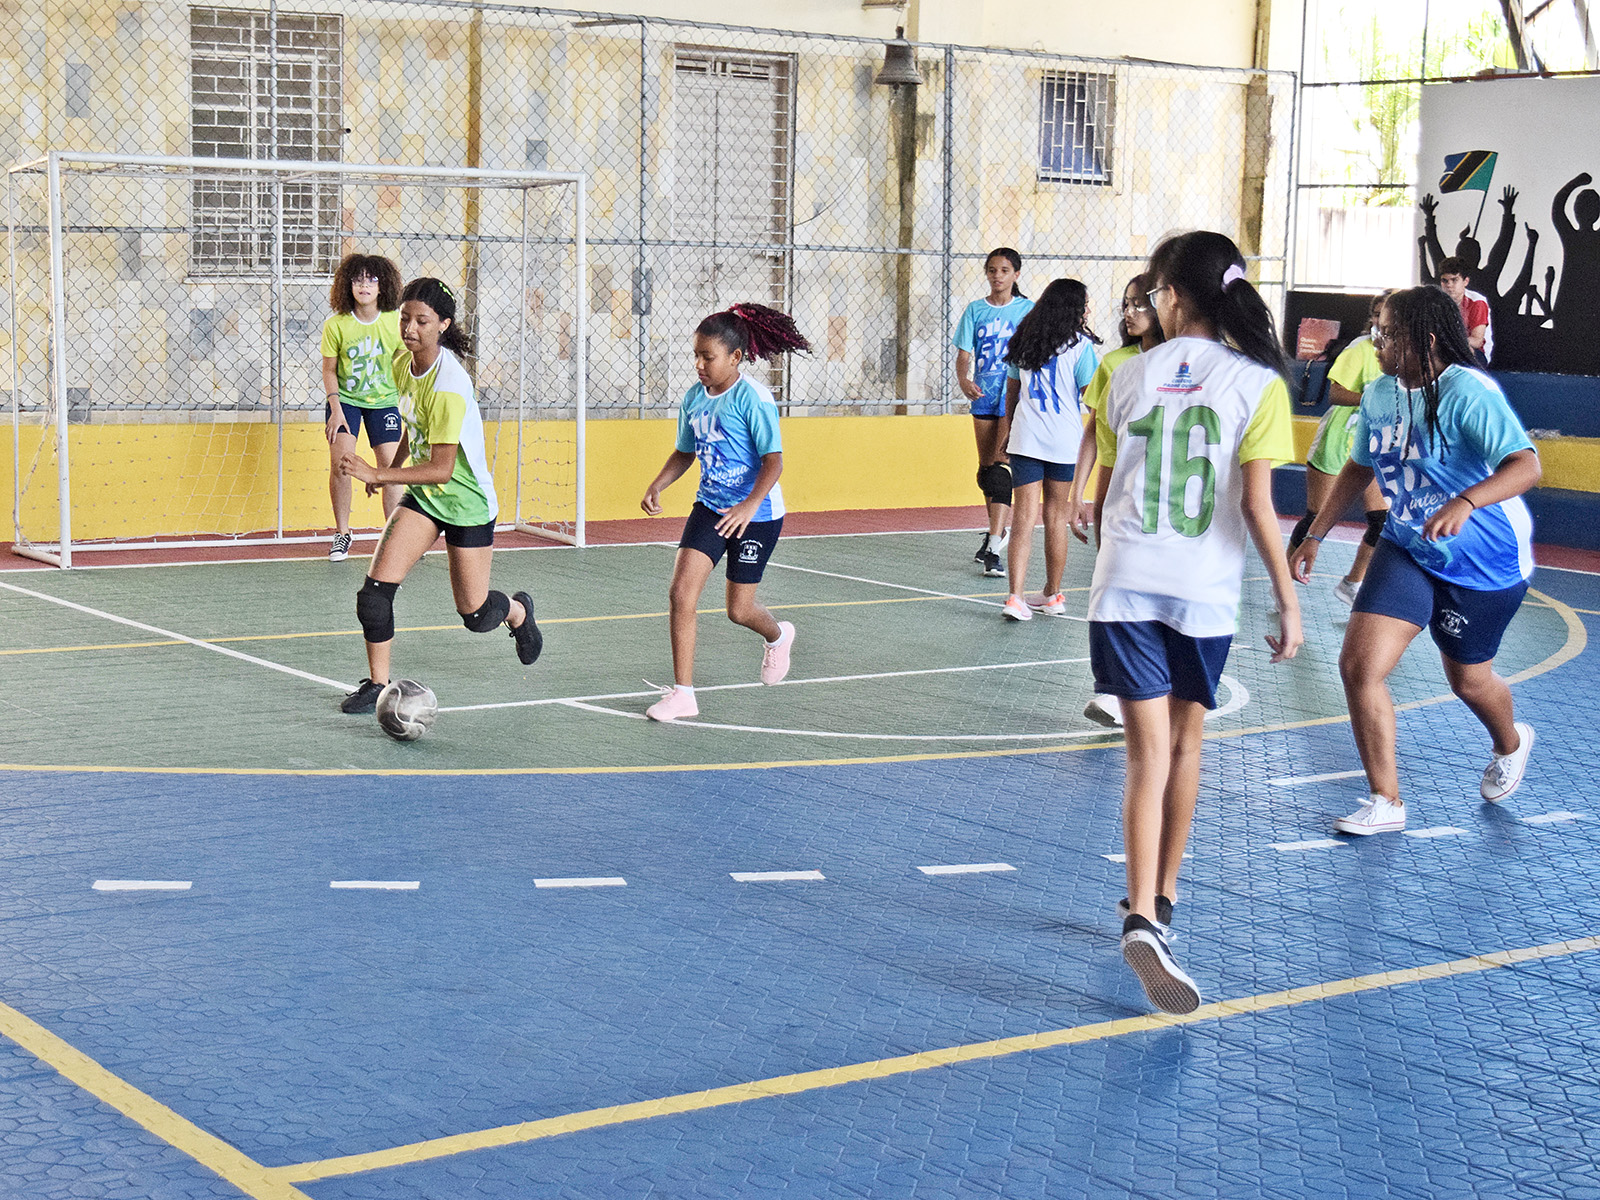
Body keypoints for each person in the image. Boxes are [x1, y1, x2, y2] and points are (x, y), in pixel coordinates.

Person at [1090, 232, 1303, 1014]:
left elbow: (1107, 488)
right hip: (1201, 591)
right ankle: (1161, 904)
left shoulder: (1125, 374)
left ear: (1171, 296)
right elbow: (1258, 507)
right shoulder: (1258, 384)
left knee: (1143, 755)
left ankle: (1141, 911)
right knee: (1185, 745)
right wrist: (1287, 598)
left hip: (1124, 582)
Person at [1288, 286, 1541, 837]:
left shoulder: (1468, 392)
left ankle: (1510, 742)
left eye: (1386, 332)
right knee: (1360, 667)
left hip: (1484, 562)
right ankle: (1386, 800)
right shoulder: (1380, 393)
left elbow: (1526, 466)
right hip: (1407, 546)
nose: (1375, 340)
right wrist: (1314, 532)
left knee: (1469, 682)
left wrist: (1465, 502)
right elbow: (1359, 467)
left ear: (1424, 341)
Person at [337, 278, 543, 714]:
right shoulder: (403, 364)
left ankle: (518, 612)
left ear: (443, 325)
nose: (410, 328)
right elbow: (414, 426)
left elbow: (442, 468)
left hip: (466, 503)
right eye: (405, 319)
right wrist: (391, 472)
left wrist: (378, 471)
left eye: (422, 321)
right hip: (426, 498)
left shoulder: (449, 383)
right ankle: (377, 684)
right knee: (374, 595)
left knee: (476, 614)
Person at [640, 303, 812, 722]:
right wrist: (658, 483)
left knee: (739, 610)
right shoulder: (694, 399)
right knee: (681, 593)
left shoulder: (754, 398)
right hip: (711, 508)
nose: (699, 365)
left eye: (708, 357)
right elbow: (685, 451)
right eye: (696, 356)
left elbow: (774, 461)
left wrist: (749, 505)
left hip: (758, 515)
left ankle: (777, 635)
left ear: (735, 357)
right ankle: (683, 694)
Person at [1072, 274, 1167, 728]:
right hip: (1117, 489)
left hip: (1164, 497)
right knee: (1112, 593)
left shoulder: (1184, 364)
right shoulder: (1114, 363)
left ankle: (1147, 687)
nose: (1129, 313)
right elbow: (1095, 432)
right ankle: (1114, 690)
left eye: (1139, 304)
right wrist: (1078, 493)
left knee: (1152, 595)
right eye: (1125, 304)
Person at [995, 279, 1100, 622]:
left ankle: (1015, 597)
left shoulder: (1024, 340)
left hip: (1027, 438)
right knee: (1056, 517)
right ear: (1072, 307)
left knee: (1023, 518)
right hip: (1065, 441)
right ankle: (1053, 593)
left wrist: (1008, 430)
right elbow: (1092, 399)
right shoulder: (1080, 346)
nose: (1088, 309)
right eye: (1084, 303)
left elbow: (1012, 394)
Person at [1287, 291, 1395, 607]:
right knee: (1316, 517)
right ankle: (1283, 582)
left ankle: (1352, 583)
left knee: (1381, 521)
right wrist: (1374, 399)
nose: (1380, 320)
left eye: (1387, 314)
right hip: (1337, 442)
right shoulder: (1361, 349)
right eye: (1376, 313)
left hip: (1372, 448)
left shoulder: (1402, 354)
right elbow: (1335, 394)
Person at [321, 253, 407, 562]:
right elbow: (329, 370)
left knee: (392, 471)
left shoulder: (394, 322)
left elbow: (404, 366)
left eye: (372, 279)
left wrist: (408, 404)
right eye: (358, 279)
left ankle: (395, 537)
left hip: (384, 403)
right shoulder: (336, 325)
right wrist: (336, 409)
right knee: (341, 464)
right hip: (345, 402)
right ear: (348, 285)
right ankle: (343, 533)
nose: (364, 285)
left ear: (383, 286)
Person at [954, 248, 1033, 577]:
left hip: (1012, 393)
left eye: (1004, 270)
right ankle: (994, 533)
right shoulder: (976, 310)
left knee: (1001, 467)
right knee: (986, 471)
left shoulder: (1027, 310)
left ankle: (994, 547)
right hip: (984, 393)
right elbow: (963, 354)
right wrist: (964, 379)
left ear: (1016, 274)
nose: (997, 275)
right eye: (992, 270)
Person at [1437, 256, 1492, 368]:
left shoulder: (1477, 302)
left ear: (1465, 281)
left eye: (1454, 280)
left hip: (1476, 352)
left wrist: (1449, 340)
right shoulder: (1436, 302)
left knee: (1465, 350)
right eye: (1445, 281)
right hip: (1445, 348)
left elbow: (1477, 341)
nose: (1449, 285)